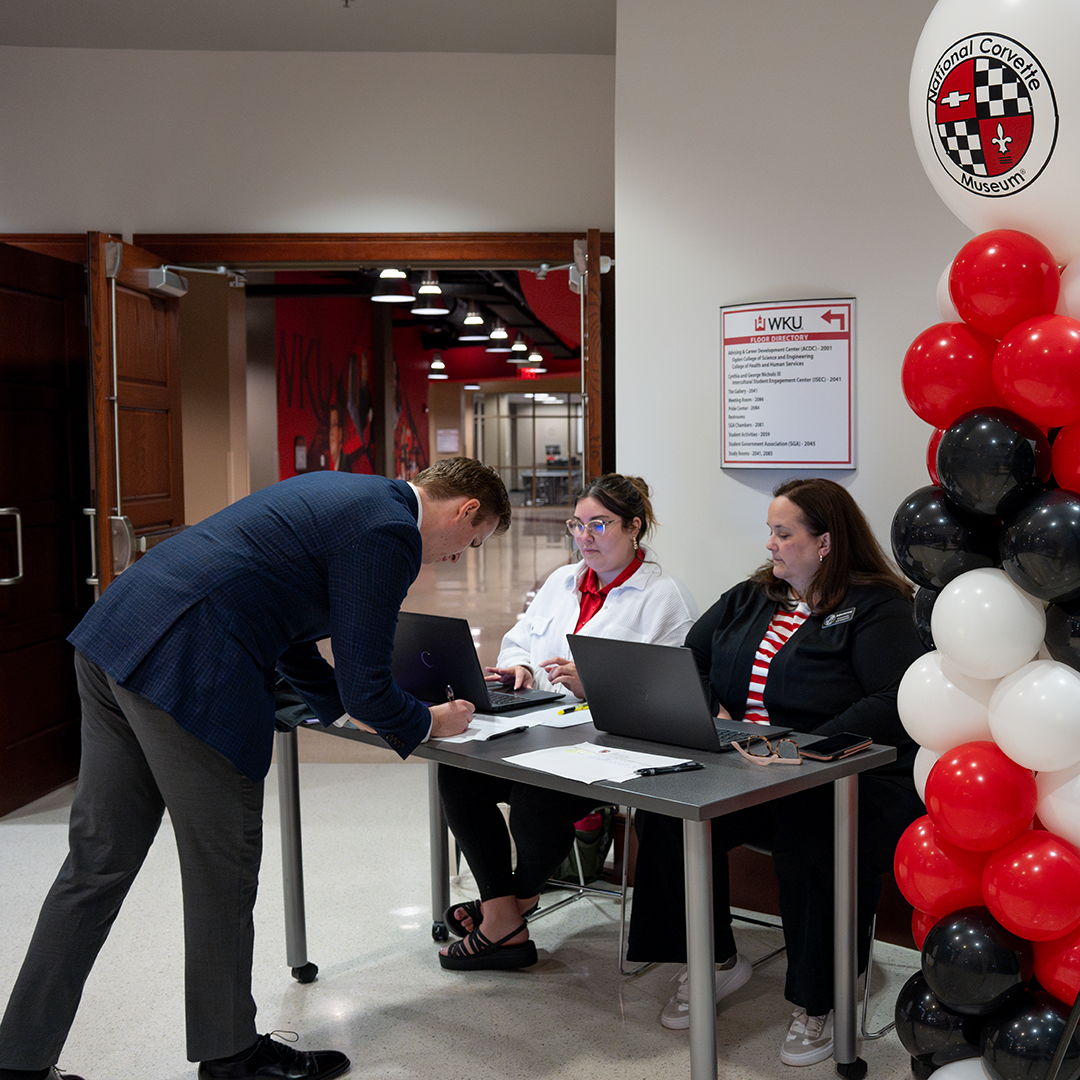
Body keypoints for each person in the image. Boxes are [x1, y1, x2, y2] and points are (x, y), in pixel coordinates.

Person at [0, 458, 511, 1080]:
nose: (458, 557)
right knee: (223, 868)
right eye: (473, 541)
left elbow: (288, 623)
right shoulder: (390, 531)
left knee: (96, 863)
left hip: (118, 634)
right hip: (190, 665)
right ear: (465, 510)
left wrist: (336, 710)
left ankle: (19, 1061)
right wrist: (429, 721)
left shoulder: (345, 491)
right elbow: (369, 689)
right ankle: (231, 1058)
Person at [626, 478, 926, 1065]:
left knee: (812, 830)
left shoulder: (878, 606)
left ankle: (820, 999)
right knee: (666, 813)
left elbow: (896, 700)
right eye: (770, 532)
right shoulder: (752, 596)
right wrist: (714, 712)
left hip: (847, 777)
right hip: (746, 769)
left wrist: (801, 749)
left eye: (783, 533)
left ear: (825, 543)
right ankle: (714, 960)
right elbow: (691, 657)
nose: (770, 544)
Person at [437, 474, 698, 971]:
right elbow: (520, 641)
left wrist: (597, 685)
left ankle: (508, 913)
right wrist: (518, 667)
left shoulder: (665, 598)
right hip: (540, 728)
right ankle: (503, 913)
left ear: (634, 527)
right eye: (577, 525)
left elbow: (672, 696)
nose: (584, 537)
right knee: (458, 773)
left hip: (612, 746)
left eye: (599, 525)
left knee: (537, 795)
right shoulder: (562, 581)